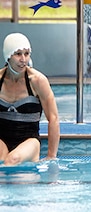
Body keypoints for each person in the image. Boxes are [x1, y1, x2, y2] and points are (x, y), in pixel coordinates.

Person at [0, 32, 60, 165]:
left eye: (26, 54)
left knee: (12, 160)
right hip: (2, 139)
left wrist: (51, 156)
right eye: (18, 54)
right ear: (8, 56)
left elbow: (53, 118)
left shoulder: (38, 81)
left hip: (29, 140)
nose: (23, 59)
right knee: (1, 161)